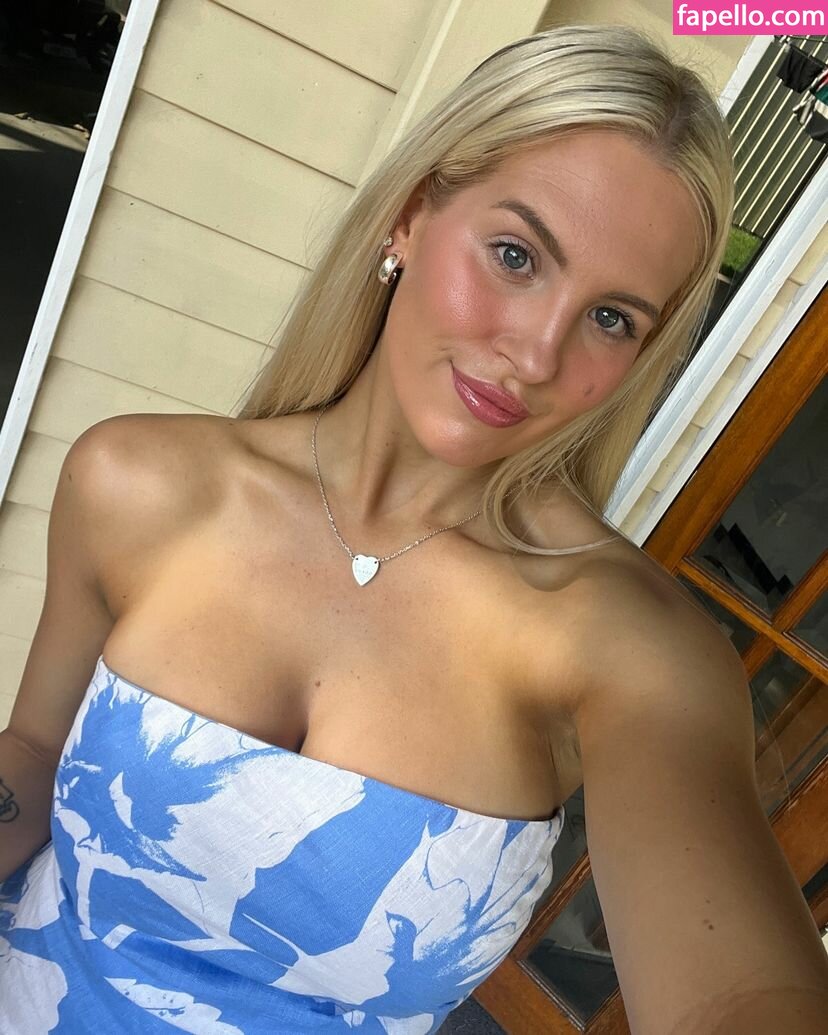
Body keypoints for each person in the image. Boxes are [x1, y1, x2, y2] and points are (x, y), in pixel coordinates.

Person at [2, 22, 826, 1035]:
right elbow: (32, 751)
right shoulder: (137, 483)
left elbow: (742, 998)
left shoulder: (619, 645)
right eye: (516, 256)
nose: (537, 354)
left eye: (612, 319)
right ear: (408, 217)